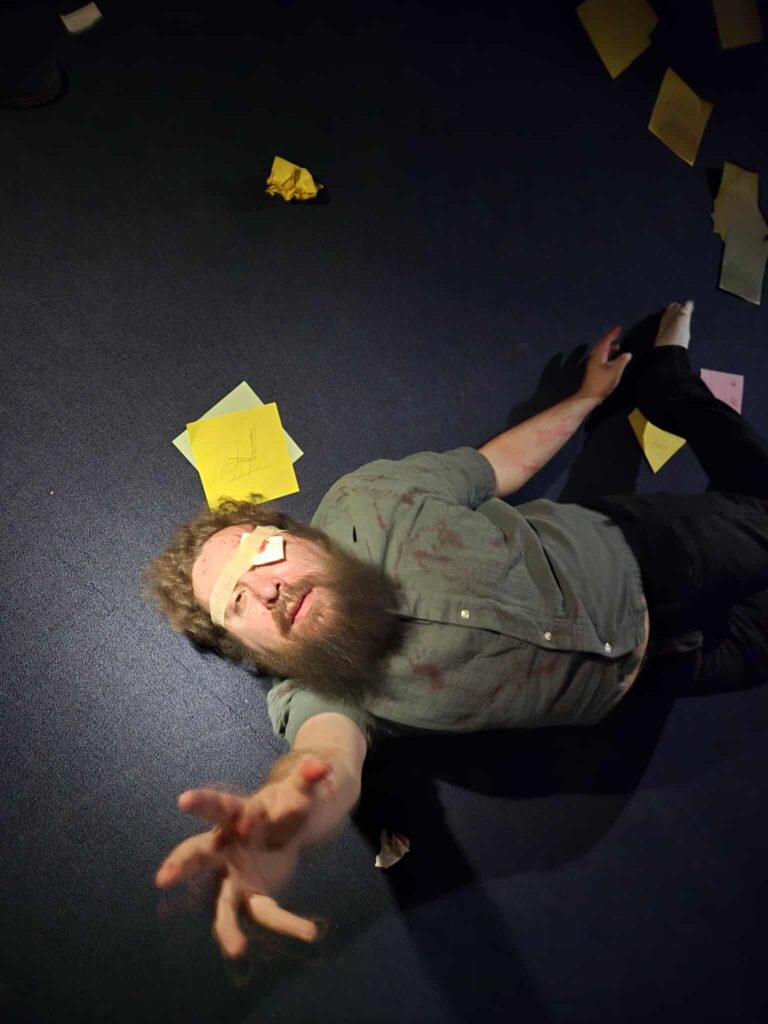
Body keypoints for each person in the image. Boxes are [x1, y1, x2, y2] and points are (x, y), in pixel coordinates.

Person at [146, 301, 768, 958]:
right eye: (237, 603)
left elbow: (494, 467)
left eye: (261, 554)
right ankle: (671, 383)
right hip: (650, 679)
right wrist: (286, 813)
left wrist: (586, 399)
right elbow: (325, 758)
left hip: (648, 553)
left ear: (296, 534)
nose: (267, 589)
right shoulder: (312, 694)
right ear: (247, 648)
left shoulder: (370, 498)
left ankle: (667, 379)